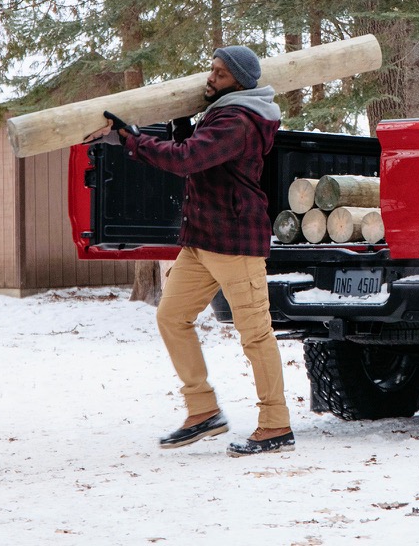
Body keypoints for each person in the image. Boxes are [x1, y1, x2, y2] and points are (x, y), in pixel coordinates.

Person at [95, 45, 293, 455]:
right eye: (212, 69)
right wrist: (182, 122)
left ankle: (276, 425)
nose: (210, 77)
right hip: (204, 239)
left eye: (219, 73)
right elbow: (200, 155)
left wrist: (133, 141)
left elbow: (188, 160)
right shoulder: (223, 112)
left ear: (238, 81)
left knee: (255, 334)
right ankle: (203, 411)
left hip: (235, 241)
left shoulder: (238, 120)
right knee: (171, 317)